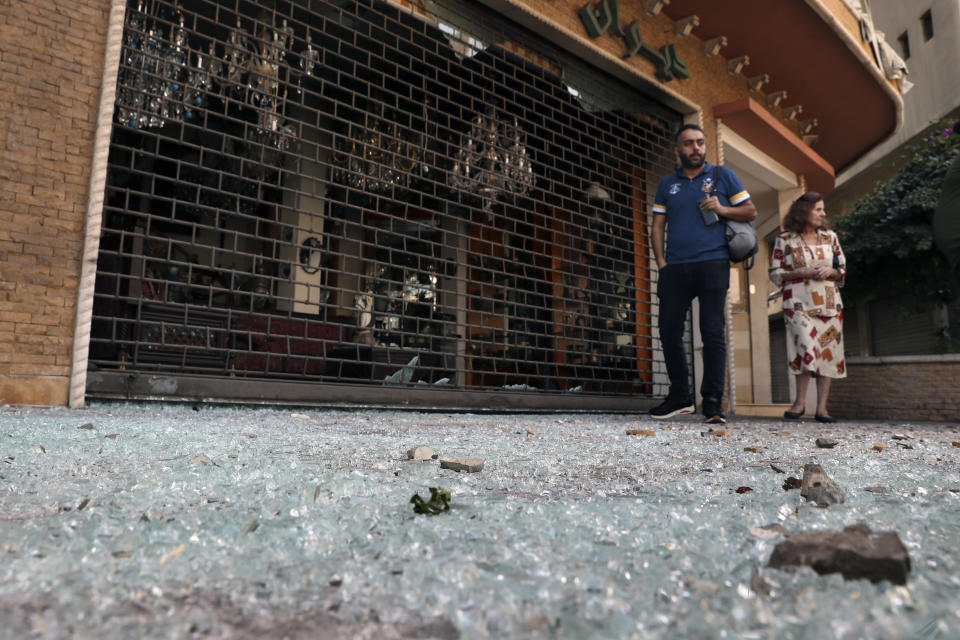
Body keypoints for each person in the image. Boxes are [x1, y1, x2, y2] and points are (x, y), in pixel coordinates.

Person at [649, 124, 757, 423]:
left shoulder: (722, 176)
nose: (695, 148)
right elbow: (658, 226)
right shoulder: (667, 184)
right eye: (688, 144)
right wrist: (661, 263)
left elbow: (750, 211)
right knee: (669, 331)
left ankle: (712, 402)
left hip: (713, 264)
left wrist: (722, 209)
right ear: (678, 150)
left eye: (699, 142)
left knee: (712, 333)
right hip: (675, 267)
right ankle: (680, 397)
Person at [769, 192, 847, 423]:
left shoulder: (830, 237)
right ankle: (799, 403)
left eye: (823, 209)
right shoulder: (784, 239)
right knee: (805, 347)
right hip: (797, 302)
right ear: (804, 212)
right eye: (818, 209)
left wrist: (831, 271)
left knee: (828, 353)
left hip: (829, 303)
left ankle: (821, 409)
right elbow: (774, 273)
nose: (824, 214)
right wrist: (798, 272)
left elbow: (842, 268)